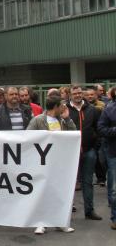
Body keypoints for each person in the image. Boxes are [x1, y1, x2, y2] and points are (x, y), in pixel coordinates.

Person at [27, 96, 77, 234]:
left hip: (59, 161)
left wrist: (67, 119)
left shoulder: (63, 120)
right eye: (61, 105)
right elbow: (27, 137)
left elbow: (74, 134)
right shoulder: (38, 120)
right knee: (42, 191)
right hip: (42, 162)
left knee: (59, 192)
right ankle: (40, 223)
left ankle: (60, 222)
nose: (64, 108)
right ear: (55, 107)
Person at [66, 84, 102, 221]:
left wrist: (95, 146)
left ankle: (89, 211)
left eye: (80, 93)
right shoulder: (64, 109)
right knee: (69, 183)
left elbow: (98, 129)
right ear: (70, 95)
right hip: (70, 153)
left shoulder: (93, 110)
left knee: (88, 182)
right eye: (75, 93)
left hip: (88, 151)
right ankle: (66, 211)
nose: (78, 95)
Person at [98, 87, 116, 230]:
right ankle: (115, 217)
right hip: (113, 153)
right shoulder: (108, 110)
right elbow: (101, 129)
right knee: (115, 189)